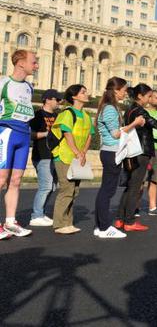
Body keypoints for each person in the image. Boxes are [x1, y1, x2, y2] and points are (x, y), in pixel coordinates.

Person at [115, 84, 157, 232]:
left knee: (130, 187)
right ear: (140, 96)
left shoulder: (130, 109)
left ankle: (120, 219)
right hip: (141, 151)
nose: (149, 99)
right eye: (148, 96)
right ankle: (129, 221)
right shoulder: (140, 111)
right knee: (135, 187)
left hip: (132, 151)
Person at [95, 77, 145, 239]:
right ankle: (103, 228)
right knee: (107, 191)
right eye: (124, 90)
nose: (125, 93)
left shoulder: (110, 107)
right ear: (116, 91)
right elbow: (116, 134)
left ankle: (100, 226)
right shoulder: (110, 108)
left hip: (110, 151)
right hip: (111, 152)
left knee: (106, 190)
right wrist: (135, 124)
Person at [0, 49, 39, 239]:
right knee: (1, 180)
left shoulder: (29, 87)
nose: (37, 65)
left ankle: (10, 222)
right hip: (6, 132)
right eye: (34, 62)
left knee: (16, 181)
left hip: (24, 135)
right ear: (20, 63)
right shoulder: (3, 83)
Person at [51, 84, 95, 234]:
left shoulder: (87, 116)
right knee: (66, 189)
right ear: (74, 96)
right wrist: (77, 152)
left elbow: (90, 135)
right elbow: (67, 133)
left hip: (77, 157)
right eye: (83, 92)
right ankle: (59, 224)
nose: (86, 94)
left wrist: (83, 152)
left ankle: (68, 222)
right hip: (64, 156)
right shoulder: (67, 113)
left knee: (74, 191)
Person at [28, 89, 61, 227]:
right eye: (57, 99)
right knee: (46, 186)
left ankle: (41, 212)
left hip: (56, 155)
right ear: (48, 99)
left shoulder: (58, 116)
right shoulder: (38, 115)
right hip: (42, 155)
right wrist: (47, 134)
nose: (59, 102)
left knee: (53, 186)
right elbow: (30, 135)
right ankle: (36, 215)